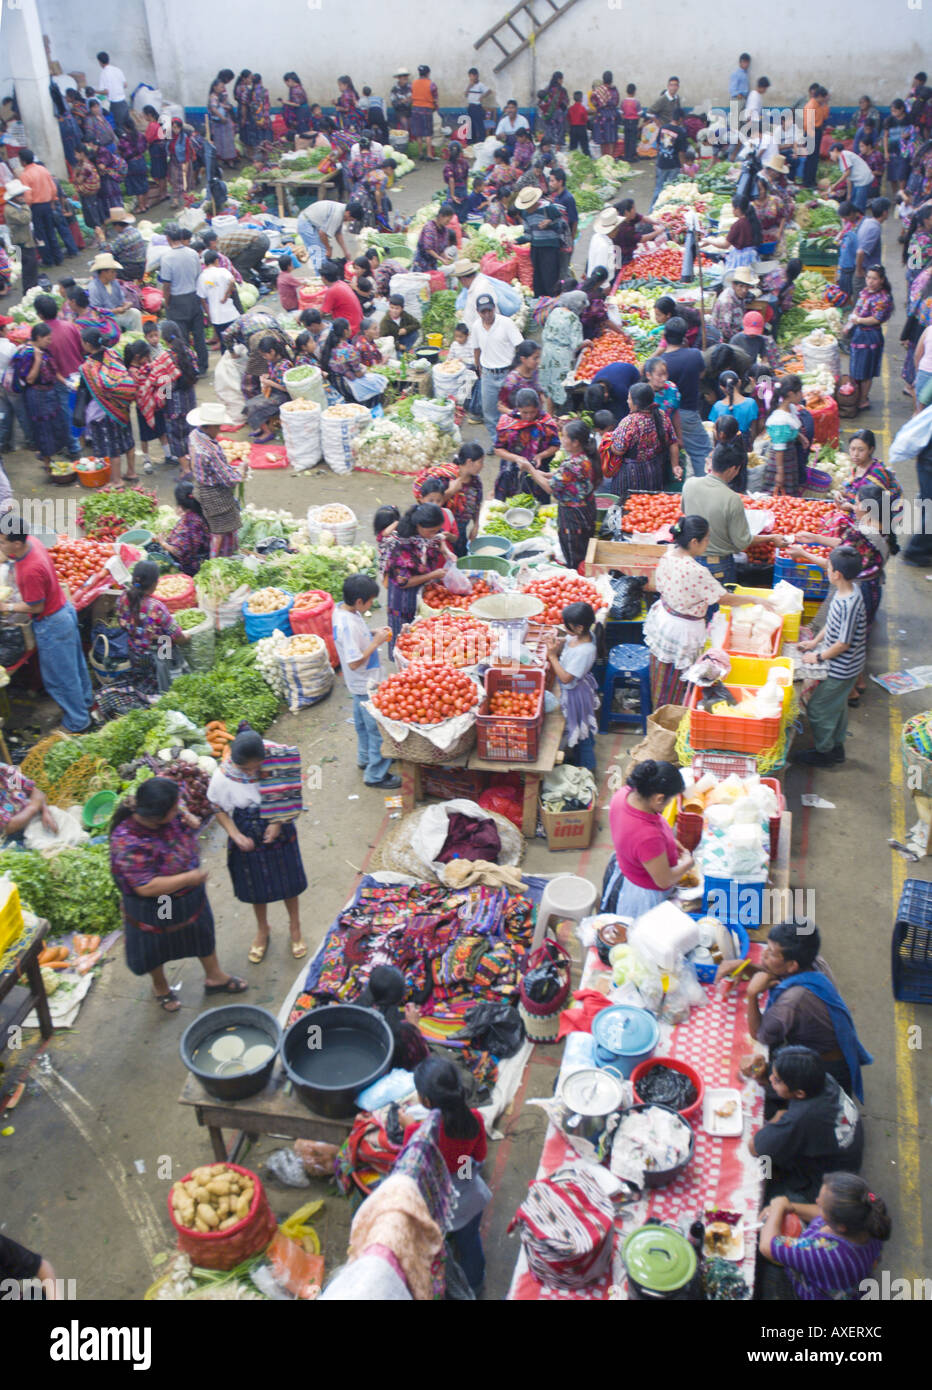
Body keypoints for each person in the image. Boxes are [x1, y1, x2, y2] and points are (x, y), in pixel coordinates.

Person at [110, 776, 246, 1013]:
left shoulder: (161, 808)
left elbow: (177, 802)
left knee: (200, 933)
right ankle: (161, 987)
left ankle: (215, 977)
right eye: (174, 809)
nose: (178, 809)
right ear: (156, 816)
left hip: (188, 899)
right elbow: (146, 886)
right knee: (156, 947)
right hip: (155, 904)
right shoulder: (127, 841)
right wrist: (189, 878)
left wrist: (187, 815)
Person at [725, 916, 872, 1105]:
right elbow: (773, 971)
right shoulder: (814, 961)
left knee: (761, 1081)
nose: (763, 956)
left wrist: (753, 993)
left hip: (823, 1070)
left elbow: (760, 1034)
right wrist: (743, 966)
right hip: (837, 1050)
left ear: (791, 965)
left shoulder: (792, 1001)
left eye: (771, 953)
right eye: (767, 948)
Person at [644, 514, 774, 705]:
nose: (709, 543)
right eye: (706, 539)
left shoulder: (669, 553)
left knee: (662, 677)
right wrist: (754, 599)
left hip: (664, 619)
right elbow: (724, 598)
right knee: (678, 682)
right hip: (682, 630)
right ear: (694, 542)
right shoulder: (696, 571)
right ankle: (672, 718)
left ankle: (661, 713)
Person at [207, 725, 307, 964]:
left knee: (289, 881)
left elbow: (291, 791)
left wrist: (279, 821)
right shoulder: (223, 775)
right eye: (246, 768)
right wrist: (234, 835)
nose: (252, 772)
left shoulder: (277, 758)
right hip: (246, 827)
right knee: (255, 886)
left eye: (257, 766)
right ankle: (263, 929)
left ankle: (295, 926)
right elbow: (217, 807)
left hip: (277, 824)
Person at [0, 520, 94, 733]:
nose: (0, 546)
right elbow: (9, 558)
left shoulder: (30, 570)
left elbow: (35, 606)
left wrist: (6, 605)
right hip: (63, 610)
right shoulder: (31, 542)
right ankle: (86, 703)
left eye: (2, 542)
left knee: (60, 678)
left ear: (16, 543)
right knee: (75, 667)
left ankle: (78, 723)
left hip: (52, 623)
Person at [750, 1047, 863, 1201]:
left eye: (776, 1080)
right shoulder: (823, 1078)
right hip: (843, 1158)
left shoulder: (801, 1118)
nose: (770, 1079)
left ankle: (773, 1188)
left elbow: (756, 1147)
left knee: (762, 1162)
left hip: (822, 1185)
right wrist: (762, 1072)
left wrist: (776, 1119)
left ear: (799, 1093)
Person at [790, 545, 867, 767]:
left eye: (829, 566)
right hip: (845, 664)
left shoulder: (848, 603)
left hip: (842, 668)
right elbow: (832, 624)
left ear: (837, 574)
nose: (827, 569)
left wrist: (819, 656)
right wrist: (814, 642)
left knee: (818, 708)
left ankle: (825, 753)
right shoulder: (846, 591)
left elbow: (843, 643)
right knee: (837, 705)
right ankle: (837, 746)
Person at [760, 1174, 891, 1301]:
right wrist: (791, 1206)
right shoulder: (870, 1220)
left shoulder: (825, 1253)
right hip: (851, 1280)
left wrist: (778, 1206)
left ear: (840, 1226)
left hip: (817, 1291)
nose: (817, 1201)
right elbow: (819, 1213)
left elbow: (767, 1246)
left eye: (822, 1206)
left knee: (766, 1277)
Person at [333, 573, 399, 790]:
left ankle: (364, 759)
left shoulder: (343, 610)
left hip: (358, 684)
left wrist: (372, 632)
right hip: (365, 683)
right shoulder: (347, 625)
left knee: (362, 725)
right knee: (378, 730)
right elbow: (353, 662)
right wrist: (376, 642)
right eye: (370, 601)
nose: (372, 604)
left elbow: (354, 639)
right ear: (359, 601)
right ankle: (376, 774)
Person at [682, 442, 782, 585]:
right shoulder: (732, 499)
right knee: (720, 606)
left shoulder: (690, 484)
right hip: (717, 566)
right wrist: (771, 538)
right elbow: (742, 542)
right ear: (733, 469)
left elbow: (686, 512)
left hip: (690, 560)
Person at [605, 760, 693, 916]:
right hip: (643, 892)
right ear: (659, 798)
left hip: (626, 866)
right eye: (670, 799)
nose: (668, 804)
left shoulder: (623, 794)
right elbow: (664, 880)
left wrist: (669, 843)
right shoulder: (647, 837)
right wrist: (687, 863)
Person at [521, 418, 599, 571]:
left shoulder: (572, 464)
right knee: (584, 550)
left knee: (574, 557)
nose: (561, 439)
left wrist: (530, 469)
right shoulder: (585, 457)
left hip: (573, 518)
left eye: (564, 436)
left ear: (575, 442)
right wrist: (545, 474)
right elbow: (566, 476)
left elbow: (551, 488)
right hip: (587, 511)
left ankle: (576, 577)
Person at [117, 560, 190, 694]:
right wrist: (186, 637)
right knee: (166, 669)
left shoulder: (123, 597)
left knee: (144, 675)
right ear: (155, 584)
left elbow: (122, 623)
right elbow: (178, 636)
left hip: (135, 651)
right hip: (160, 651)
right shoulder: (156, 607)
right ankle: (165, 688)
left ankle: (147, 687)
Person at [381, 502, 448, 649]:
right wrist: (432, 575)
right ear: (418, 526)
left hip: (420, 586)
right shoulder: (401, 547)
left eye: (436, 529)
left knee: (419, 631)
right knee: (403, 634)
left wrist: (446, 551)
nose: (435, 533)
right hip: (403, 596)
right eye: (431, 531)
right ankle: (400, 659)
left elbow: (439, 536)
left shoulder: (428, 532)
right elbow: (403, 582)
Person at [76, 325, 137, 481]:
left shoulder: (87, 368)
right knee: (128, 440)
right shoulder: (113, 354)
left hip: (104, 413)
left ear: (88, 345)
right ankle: (131, 472)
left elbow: (85, 392)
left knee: (112, 448)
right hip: (122, 406)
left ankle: (117, 481)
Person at [601, 381, 680, 500]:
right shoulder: (662, 415)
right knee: (649, 503)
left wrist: (607, 441)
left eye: (629, 399)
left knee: (630, 504)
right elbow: (673, 442)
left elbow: (619, 450)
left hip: (632, 475)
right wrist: (675, 466)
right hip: (655, 471)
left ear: (636, 404)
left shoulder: (630, 422)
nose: (627, 402)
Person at [187, 399, 242, 555]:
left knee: (215, 526)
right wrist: (241, 473)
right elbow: (229, 479)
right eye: (217, 426)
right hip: (214, 495)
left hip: (199, 486)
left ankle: (223, 553)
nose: (219, 430)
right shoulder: (211, 450)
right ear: (208, 426)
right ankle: (219, 557)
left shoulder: (194, 435)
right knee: (221, 528)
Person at [657, 317, 709, 476]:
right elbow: (702, 374)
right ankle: (705, 486)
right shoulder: (695, 355)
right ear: (685, 336)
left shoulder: (660, 364)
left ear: (665, 336)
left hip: (665, 416)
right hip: (689, 413)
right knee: (701, 451)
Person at [470, 294, 525, 445]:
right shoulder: (476, 326)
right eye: (483, 312)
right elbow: (476, 349)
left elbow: (520, 346)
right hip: (488, 374)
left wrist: (518, 369)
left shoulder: (506, 323)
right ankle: (497, 442)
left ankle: (514, 440)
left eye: (489, 310)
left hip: (507, 373)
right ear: (478, 312)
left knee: (512, 409)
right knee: (489, 413)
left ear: (494, 308)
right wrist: (478, 368)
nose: (487, 315)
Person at [13, 324, 69, 470]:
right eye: (47, 339)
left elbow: (53, 370)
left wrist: (67, 383)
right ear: (38, 337)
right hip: (37, 396)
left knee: (55, 425)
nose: (50, 341)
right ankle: (46, 461)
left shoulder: (43, 349)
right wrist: (37, 360)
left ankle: (49, 456)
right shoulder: (28, 354)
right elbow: (30, 379)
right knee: (43, 428)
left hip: (50, 392)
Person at [493, 386, 559, 502]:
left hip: (538, 473)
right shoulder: (507, 423)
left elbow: (555, 445)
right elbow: (498, 449)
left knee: (539, 508)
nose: (528, 416)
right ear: (518, 408)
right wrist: (517, 458)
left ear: (538, 407)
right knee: (510, 507)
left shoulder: (546, 422)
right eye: (525, 412)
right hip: (511, 472)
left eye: (532, 412)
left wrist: (541, 455)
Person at [842, 263, 894, 410]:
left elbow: (876, 319)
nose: (870, 281)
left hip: (870, 337)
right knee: (856, 369)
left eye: (874, 279)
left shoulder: (883, 298)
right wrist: (849, 325)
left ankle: (863, 399)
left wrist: (858, 320)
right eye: (868, 277)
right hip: (858, 334)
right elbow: (858, 309)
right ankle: (856, 395)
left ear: (882, 280)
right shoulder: (865, 292)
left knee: (866, 372)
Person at [158, 224, 208, 376]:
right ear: (180, 237)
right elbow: (199, 276)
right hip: (193, 297)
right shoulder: (193, 253)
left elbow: (167, 285)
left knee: (182, 337)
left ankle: (188, 368)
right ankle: (203, 366)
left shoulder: (167, 258)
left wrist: (166, 302)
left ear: (167, 238)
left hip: (177, 301)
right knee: (199, 335)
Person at [320, 316, 386, 404]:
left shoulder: (327, 347)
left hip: (335, 383)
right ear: (345, 331)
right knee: (380, 382)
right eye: (349, 327)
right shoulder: (350, 350)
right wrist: (364, 369)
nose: (351, 329)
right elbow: (358, 374)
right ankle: (372, 406)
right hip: (347, 385)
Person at [16, 148, 64, 267]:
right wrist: (53, 201)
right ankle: (58, 257)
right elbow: (53, 188)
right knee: (51, 231)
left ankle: (48, 260)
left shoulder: (25, 175)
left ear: (23, 161)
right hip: (47, 204)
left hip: (35, 207)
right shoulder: (43, 169)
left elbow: (28, 196)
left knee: (40, 235)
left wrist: (26, 208)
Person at [443, 441, 485, 555]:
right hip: (444, 532)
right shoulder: (446, 478)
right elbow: (432, 504)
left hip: (461, 531)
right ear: (469, 462)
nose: (482, 466)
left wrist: (476, 525)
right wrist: (451, 491)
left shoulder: (476, 482)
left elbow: (477, 504)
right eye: (480, 462)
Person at [162, 479, 211, 577]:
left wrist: (162, 543)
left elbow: (179, 552)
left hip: (193, 567)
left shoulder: (187, 525)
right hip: (206, 554)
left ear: (180, 505)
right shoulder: (204, 509)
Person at [196, 248, 239, 347]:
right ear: (216, 261)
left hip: (216, 317)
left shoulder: (202, 277)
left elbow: (202, 298)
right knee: (238, 341)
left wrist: (208, 313)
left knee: (225, 344)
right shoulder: (222, 271)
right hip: (231, 313)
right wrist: (226, 295)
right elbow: (232, 281)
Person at [2, 179, 37, 293]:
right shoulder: (9, 209)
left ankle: (33, 289)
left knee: (32, 267)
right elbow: (25, 218)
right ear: (14, 197)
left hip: (26, 240)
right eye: (20, 195)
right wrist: (25, 206)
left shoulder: (16, 206)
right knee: (27, 269)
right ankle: (28, 291)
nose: (23, 196)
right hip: (21, 243)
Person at [710, 264, 759, 341]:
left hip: (738, 330)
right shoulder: (727, 302)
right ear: (733, 285)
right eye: (741, 286)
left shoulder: (739, 295)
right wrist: (742, 338)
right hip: (726, 338)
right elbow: (725, 331)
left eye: (747, 287)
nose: (744, 290)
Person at [585, 358, 641, 425]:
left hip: (632, 374)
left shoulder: (620, 390)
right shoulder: (593, 385)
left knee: (619, 411)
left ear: (606, 395)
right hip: (615, 371)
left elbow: (628, 408)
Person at [852, 197, 889, 300]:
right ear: (885, 213)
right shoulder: (874, 228)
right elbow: (860, 252)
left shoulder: (867, 221)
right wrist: (859, 271)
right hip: (866, 273)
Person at [708, 368, 759, 440]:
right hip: (744, 444)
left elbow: (715, 432)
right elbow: (753, 432)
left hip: (724, 446)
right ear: (739, 382)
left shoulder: (717, 406)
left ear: (721, 387)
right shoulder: (751, 403)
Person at [317, 257, 363, 336]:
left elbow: (321, 314)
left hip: (350, 329)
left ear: (324, 278)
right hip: (358, 324)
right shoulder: (341, 283)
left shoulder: (332, 291)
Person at [71, 149, 107, 246]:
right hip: (92, 193)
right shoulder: (88, 164)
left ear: (81, 153)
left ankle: (98, 238)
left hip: (88, 194)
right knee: (96, 213)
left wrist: (74, 174)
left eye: (76, 153)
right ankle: (101, 235)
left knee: (93, 215)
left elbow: (78, 180)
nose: (75, 156)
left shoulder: (85, 166)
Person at [411, 202, 457, 273]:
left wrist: (445, 256)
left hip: (432, 264)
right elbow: (428, 249)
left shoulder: (444, 230)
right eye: (447, 220)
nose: (448, 222)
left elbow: (441, 249)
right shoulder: (429, 228)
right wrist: (441, 259)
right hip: (422, 264)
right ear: (441, 216)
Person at [652, 118, 688, 208]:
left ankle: (652, 211)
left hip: (661, 163)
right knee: (671, 190)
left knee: (658, 188)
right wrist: (683, 166)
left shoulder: (663, 128)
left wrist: (659, 157)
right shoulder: (680, 131)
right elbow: (681, 153)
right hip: (673, 165)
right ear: (680, 119)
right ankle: (666, 210)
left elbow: (657, 145)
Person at [498, 340, 542, 412]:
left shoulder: (536, 373)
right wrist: (516, 414)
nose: (538, 361)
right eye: (535, 358)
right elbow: (501, 406)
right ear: (523, 359)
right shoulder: (512, 379)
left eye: (539, 357)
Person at [107, 207, 147, 280]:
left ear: (117, 225)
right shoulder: (135, 231)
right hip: (141, 266)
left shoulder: (122, 237)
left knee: (105, 269)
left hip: (130, 270)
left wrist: (101, 239)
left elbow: (108, 252)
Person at [409, 65, 438, 161]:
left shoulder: (413, 84)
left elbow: (411, 95)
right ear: (428, 73)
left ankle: (420, 153)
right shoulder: (431, 84)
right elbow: (435, 99)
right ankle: (429, 155)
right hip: (427, 110)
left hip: (415, 109)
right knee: (428, 133)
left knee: (419, 133)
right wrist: (436, 108)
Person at [883, 99, 912, 195]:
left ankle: (902, 194)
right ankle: (896, 195)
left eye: (895, 110)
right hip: (892, 151)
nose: (893, 113)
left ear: (902, 109)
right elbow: (886, 136)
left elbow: (915, 132)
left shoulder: (909, 119)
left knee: (902, 175)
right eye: (892, 111)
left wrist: (908, 135)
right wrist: (886, 152)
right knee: (892, 176)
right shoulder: (889, 121)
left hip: (905, 151)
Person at [207, 75, 237, 164]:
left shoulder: (219, 96)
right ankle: (223, 160)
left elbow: (220, 106)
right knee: (221, 142)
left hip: (223, 122)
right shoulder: (213, 97)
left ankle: (227, 159)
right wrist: (222, 117)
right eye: (221, 87)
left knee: (226, 142)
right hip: (220, 122)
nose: (222, 89)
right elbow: (214, 109)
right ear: (215, 87)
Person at [95, 51, 128, 129]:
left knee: (119, 127)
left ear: (100, 62)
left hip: (115, 104)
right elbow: (125, 85)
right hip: (123, 102)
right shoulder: (117, 69)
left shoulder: (104, 73)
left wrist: (95, 91)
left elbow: (106, 92)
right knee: (127, 125)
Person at [589, 71, 620, 155]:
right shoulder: (614, 90)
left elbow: (593, 100)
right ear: (611, 79)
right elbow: (617, 102)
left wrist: (599, 106)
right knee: (611, 138)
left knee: (603, 138)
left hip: (601, 116)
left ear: (603, 79)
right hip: (612, 116)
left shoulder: (598, 90)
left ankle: (603, 157)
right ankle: (611, 157)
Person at [586, 206, 620, 278]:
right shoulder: (604, 246)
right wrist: (605, 285)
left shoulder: (596, 236)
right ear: (613, 230)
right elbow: (600, 271)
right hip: (599, 284)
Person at [567, 91, 591, 156]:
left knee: (573, 147)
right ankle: (588, 158)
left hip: (573, 128)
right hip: (581, 128)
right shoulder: (582, 108)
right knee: (585, 146)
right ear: (581, 99)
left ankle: (572, 159)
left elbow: (568, 118)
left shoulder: (571, 108)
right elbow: (585, 119)